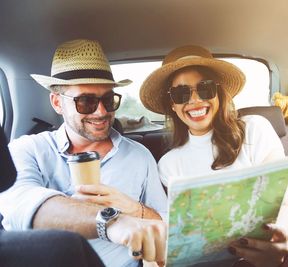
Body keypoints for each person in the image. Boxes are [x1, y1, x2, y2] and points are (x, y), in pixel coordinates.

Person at [0, 39, 167, 267]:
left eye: (108, 100)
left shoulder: (139, 156)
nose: (101, 112)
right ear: (57, 102)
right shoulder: (29, 149)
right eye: (86, 101)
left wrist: (134, 209)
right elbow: (21, 205)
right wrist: (112, 222)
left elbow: (166, 223)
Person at [139, 45, 288, 267]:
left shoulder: (256, 129)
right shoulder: (169, 165)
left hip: (282, 247)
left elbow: (280, 201)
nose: (194, 100)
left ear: (220, 93)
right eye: (181, 93)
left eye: (205, 88)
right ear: (172, 105)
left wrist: (276, 242)